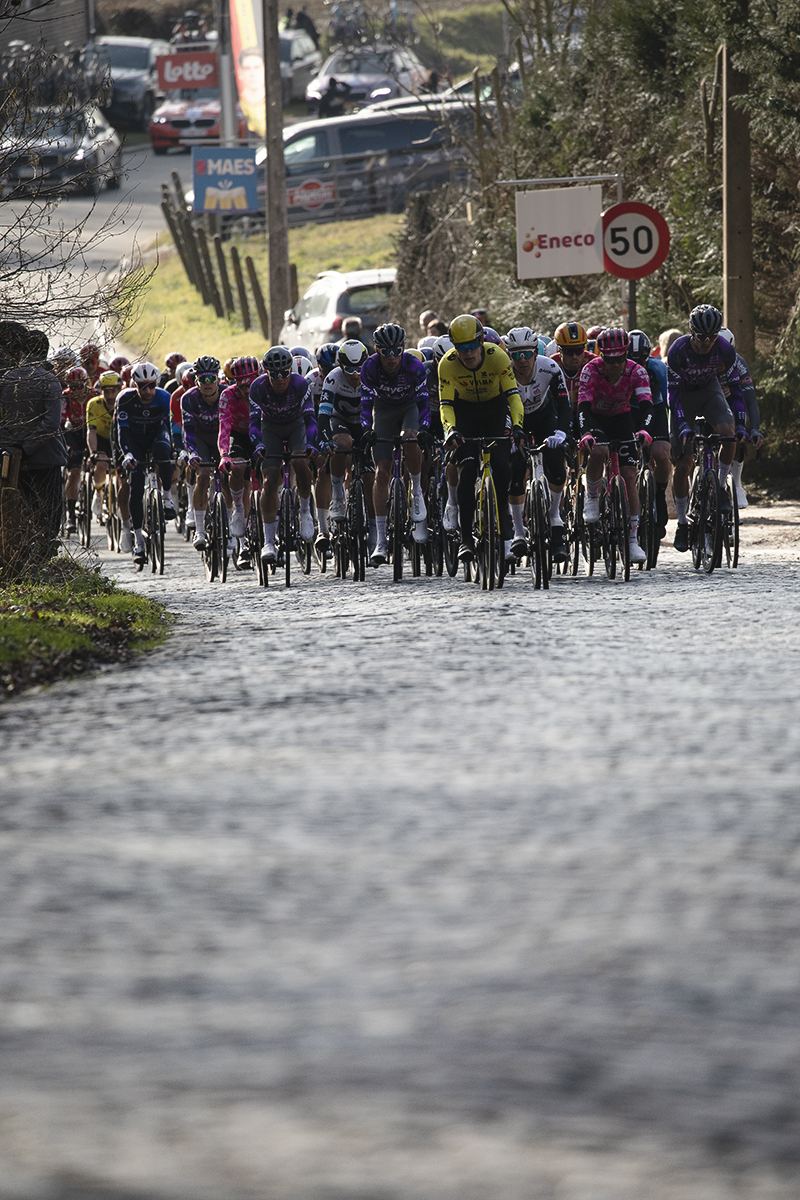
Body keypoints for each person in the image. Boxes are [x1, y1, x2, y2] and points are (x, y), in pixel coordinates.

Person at [438, 313, 523, 564]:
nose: (468, 353)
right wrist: (450, 430)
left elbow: (513, 397)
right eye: (461, 348)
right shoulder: (447, 364)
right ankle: (466, 538)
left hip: (495, 410)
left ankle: (504, 516)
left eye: (473, 346)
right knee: (467, 471)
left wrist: (517, 426)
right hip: (465, 414)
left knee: (501, 462)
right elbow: (445, 405)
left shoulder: (498, 356)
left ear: (481, 341)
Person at [667, 304, 746, 552]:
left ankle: (721, 485)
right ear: (692, 332)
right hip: (683, 397)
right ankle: (682, 523)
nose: (707, 342)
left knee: (728, 432)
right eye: (702, 337)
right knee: (684, 463)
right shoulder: (678, 351)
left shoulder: (724, 349)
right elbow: (673, 396)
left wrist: (742, 425)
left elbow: (735, 390)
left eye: (712, 336)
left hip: (709, 391)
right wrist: (682, 426)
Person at [576, 327, 652, 566]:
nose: (616, 365)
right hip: (596, 418)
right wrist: (586, 432)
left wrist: (644, 430)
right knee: (598, 451)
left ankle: (631, 539)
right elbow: (582, 408)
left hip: (621, 418)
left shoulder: (637, 371)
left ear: (626, 355)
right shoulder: (591, 370)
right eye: (610, 360)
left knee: (630, 475)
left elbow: (647, 406)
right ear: (602, 356)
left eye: (620, 359)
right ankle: (591, 496)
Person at [360, 322, 430, 566]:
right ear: (377, 350)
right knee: (381, 472)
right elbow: (366, 402)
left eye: (396, 351)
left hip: (409, 407)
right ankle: (380, 540)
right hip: (384, 410)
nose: (391, 358)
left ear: (403, 348)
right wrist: (366, 429)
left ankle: (417, 490)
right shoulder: (369, 367)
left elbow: (422, 402)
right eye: (385, 352)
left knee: (411, 437)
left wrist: (424, 429)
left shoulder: (414, 365)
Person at [504, 327, 571, 562]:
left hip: (544, 416)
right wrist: (510, 434)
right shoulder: (503, 371)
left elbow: (564, 405)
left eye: (527, 354)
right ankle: (519, 533)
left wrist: (561, 433)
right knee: (514, 467)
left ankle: (555, 518)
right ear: (509, 355)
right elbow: (502, 407)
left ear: (535, 352)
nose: (522, 360)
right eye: (516, 355)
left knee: (556, 463)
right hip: (515, 418)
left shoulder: (550, 367)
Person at [0, 327, 67, 555]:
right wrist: (28, 447)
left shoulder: (6, 379)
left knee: (19, 511)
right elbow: (51, 423)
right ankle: (42, 556)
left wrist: (13, 445)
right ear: (45, 352)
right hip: (45, 459)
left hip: (13, 460)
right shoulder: (49, 381)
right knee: (49, 514)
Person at [250, 345, 317, 562]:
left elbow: (310, 420)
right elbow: (253, 424)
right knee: (269, 479)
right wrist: (258, 444)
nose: (280, 379)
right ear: (266, 373)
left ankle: (305, 511)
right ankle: (269, 541)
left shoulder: (300, 384)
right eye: (274, 374)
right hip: (270, 427)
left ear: (290, 370)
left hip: (296, 425)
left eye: (284, 373)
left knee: (300, 462)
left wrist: (311, 443)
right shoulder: (257, 388)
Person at [318, 340, 375, 551]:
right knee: (343, 442)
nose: (355, 373)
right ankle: (338, 495)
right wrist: (324, 440)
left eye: (359, 367)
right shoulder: (333, 378)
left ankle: (375, 531)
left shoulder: (372, 374)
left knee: (370, 478)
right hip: (339, 422)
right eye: (349, 369)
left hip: (364, 423)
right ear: (340, 367)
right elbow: (323, 415)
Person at [116, 362, 175, 566]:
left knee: (163, 452)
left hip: (156, 436)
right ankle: (139, 542)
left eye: (151, 385)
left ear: (156, 383)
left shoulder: (164, 397)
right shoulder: (124, 399)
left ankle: (167, 499)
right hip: (135, 441)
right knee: (137, 483)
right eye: (142, 386)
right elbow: (121, 432)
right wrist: (127, 455)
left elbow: (170, 427)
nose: (147, 391)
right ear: (134, 384)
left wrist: (177, 449)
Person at [627, 330, 672, 540]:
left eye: (642, 361)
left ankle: (660, 493)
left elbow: (669, 402)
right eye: (631, 360)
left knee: (662, 454)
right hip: (628, 410)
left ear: (649, 357)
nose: (637, 365)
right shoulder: (617, 367)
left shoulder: (658, 368)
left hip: (653, 408)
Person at [180, 354, 225, 551]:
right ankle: (199, 529)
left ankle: (231, 524)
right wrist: (192, 454)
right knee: (203, 475)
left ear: (218, 379)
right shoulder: (188, 399)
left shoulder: (227, 394)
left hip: (221, 437)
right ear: (195, 381)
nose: (207, 383)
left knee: (228, 476)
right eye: (202, 379)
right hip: (199, 439)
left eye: (211, 378)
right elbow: (188, 431)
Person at [718, 325, 762, 509]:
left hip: (730, 401)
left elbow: (750, 401)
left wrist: (754, 429)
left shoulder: (739, 363)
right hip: (707, 403)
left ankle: (736, 483)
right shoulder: (703, 361)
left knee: (738, 436)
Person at [219, 356, 261, 545]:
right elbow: (224, 427)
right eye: (241, 386)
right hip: (238, 435)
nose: (246, 391)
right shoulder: (228, 395)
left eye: (250, 385)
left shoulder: (264, 389)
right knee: (237, 468)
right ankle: (238, 509)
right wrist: (224, 455)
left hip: (261, 432)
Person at [61, 364, 94, 534]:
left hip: (90, 432)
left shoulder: (94, 395)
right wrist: (65, 445)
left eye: (79, 386)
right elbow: (61, 424)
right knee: (74, 472)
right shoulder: (65, 397)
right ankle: (70, 515)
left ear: (85, 383)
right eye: (72, 387)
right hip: (72, 434)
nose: (76, 390)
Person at [85, 370, 120, 520]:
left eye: (114, 391)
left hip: (118, 439)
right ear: (101, 391)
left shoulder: (124, 402)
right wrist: (94, 453)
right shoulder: (93, 404)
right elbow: (91, 432)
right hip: (101, 439)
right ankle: (98, 491)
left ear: (119, 390)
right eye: (106, 391)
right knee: (101, 463)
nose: (111, 396)